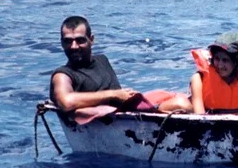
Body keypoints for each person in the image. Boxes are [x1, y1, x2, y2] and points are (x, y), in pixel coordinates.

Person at [50, 15, 190, 113]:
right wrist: (113, 94)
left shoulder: (101, 60)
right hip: (112, 119)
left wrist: (122, 96)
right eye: (68, 41)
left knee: (187, 98)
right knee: (181, 104)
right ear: (61, 42)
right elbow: (66, 102)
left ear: (91, 40)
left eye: (80, 40)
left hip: (126, 109)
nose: (74, 46)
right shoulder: (63, 75)